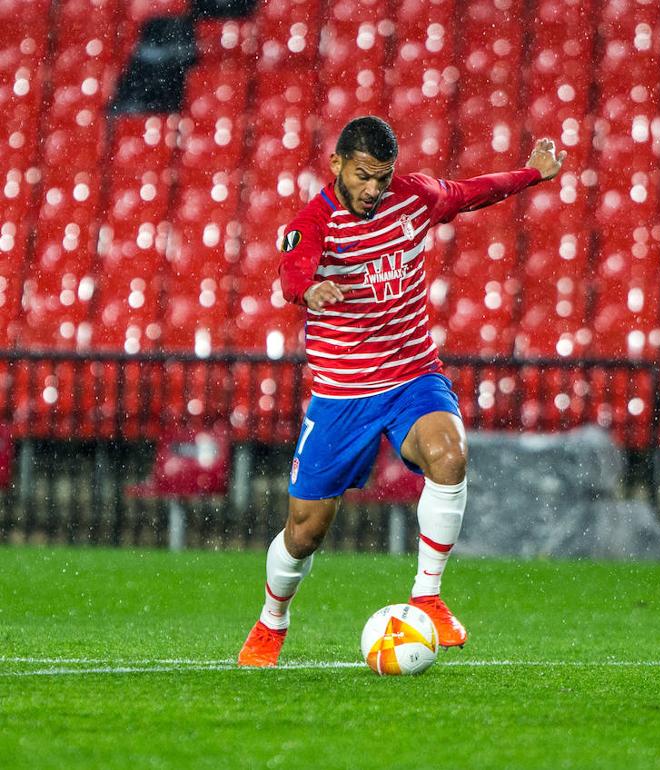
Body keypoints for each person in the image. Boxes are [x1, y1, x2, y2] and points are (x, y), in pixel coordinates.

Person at [238, 116, 565, 667]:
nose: (373, 189)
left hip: (413, 377)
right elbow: (292, 269)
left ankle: (428, 596)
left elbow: (469, 194)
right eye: (364, 176)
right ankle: (273, 619)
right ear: (337, 165)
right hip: (342, 394)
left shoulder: (411, 197)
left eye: (382, 178)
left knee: (450, 453)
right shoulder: (314, 221)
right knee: (305, 531)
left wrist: (531, 175)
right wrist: (309, 289)